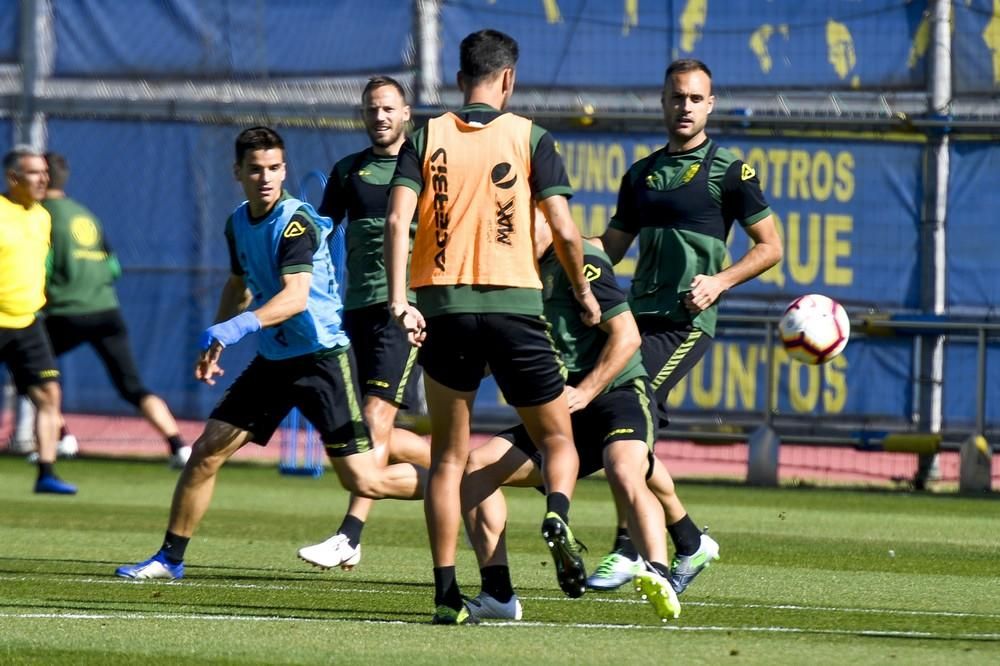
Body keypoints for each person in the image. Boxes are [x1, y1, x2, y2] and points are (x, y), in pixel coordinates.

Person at [115, 126, 424, 580]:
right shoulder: (237, 222)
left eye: (275, 168)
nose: (266, 177)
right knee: (205, 452)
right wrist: (217, 339)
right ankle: (169, 559)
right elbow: (239, 285)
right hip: (275, 361)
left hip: (322, 361)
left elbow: (295, 297)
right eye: (255, 169)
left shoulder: (295, 222)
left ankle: (456, 480)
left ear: (284, 170)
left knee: (363, 479)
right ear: (237, 171)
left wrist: (236, 326)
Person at [384, 29, 601, 624]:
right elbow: (561, 227)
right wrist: (583, 292)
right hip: (515, 309)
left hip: (443, 308)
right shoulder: (531, 135)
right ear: (509, 78)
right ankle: (557, 511)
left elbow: (399, 219)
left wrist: (401, 300)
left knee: (448, 458)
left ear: (459, 80)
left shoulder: (425, 134)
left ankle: (446, 592)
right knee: (559, 441)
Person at [594, 58, 783, 593]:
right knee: (623, 425)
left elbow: (771, 248)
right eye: (677, 97)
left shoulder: (730, 172)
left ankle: (629, 549)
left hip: (685, 324)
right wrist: (556, 242)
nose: (685, 107)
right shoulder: (641, 174)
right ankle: (689, 540)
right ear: (663, 101)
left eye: (696, 99)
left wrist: (720, 282)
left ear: (711, 104)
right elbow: (610, 249)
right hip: (635, 321)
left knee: (624, 421)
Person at [460, 220, 682, 622]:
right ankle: (498, 593)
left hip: (618, 396)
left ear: (544, 215)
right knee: (476, 469)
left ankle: (658, 571)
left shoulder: (583, 260)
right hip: (559, 411)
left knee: (625, 469)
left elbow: (627, 336)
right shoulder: (515, 276)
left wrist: (587, 390)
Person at [297, 76, 430, 570]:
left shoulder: (427, 168)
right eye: (372, 109)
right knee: (370, 428)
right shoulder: (348, 170)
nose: (380, 117)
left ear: (406, 113)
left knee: (374, 419)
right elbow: (318, 233)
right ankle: (461, 476)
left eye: (388, 109)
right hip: (355, 312)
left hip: (407, 310)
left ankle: (349, 534)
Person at [19, 152, 192, 468]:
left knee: (29, 370)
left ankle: (60, 438)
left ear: (42, 178)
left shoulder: (40, 216)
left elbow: (37, 267)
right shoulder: (86, 215)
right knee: (132, 386)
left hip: (65, 312)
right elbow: (113, 267)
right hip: (107, 311)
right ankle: (178, 446)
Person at [0, 146, 76, 494]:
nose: (43, 178)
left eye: (45, 172)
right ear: (13, 178)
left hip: (27, 322)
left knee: (49, 394)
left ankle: (46, 473)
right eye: (34, 172)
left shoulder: (42, 216)